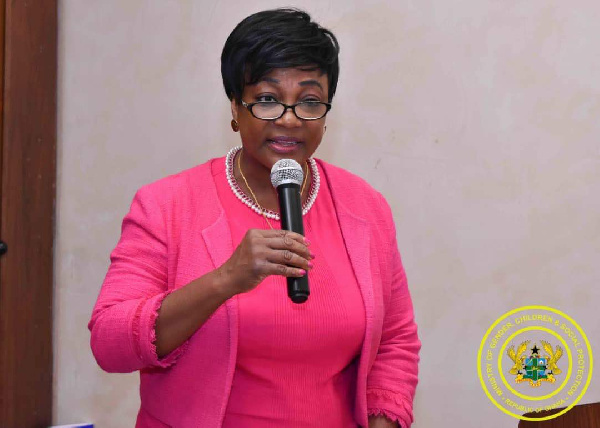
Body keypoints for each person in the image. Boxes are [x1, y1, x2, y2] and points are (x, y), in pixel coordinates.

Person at [89, 8, 420, 428]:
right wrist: (225, 280)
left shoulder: (365, 207)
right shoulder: (166, 205)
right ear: (235, 107)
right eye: (267, 99)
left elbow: (395, 341)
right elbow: (110, 343)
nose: (289, 118)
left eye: (309, 101)